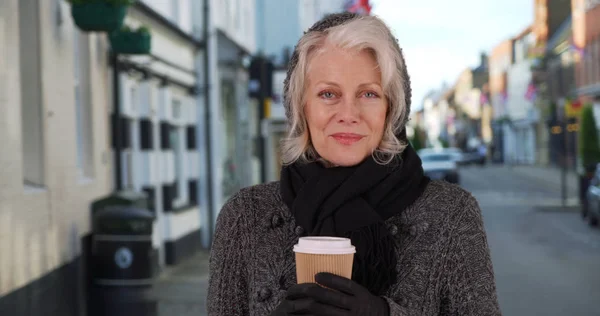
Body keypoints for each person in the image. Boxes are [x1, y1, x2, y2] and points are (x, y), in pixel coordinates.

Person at [207, 12, 501, 316]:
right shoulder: (245, 216)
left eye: (369, 93)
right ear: (300, 106)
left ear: (392, 109)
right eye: (328, 94)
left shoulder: (452, 213)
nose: (349, 113)